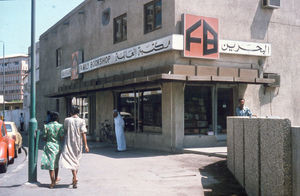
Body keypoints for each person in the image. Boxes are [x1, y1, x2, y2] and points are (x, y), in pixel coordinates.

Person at [60, 105, 89, 189]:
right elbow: (83, 133)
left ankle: (75, 177)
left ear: (71, 112)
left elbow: (64, 129)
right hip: (78, 143)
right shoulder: (82, 121)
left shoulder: (67, 120)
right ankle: (74, 178)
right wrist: (86, 145)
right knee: (76, 160)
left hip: (69, 142)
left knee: (71, 159)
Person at [40, 112, 64, 189]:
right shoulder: (60, 126)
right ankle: (56, 178)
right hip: (57, 146)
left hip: (49, 146)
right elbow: (61, 137)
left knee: (51, 164)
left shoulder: (46, 126)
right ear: (57, 118)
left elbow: (44, 137)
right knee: (56, 163)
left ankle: (52, 182)